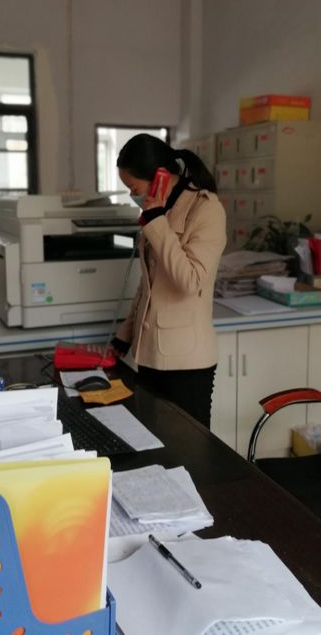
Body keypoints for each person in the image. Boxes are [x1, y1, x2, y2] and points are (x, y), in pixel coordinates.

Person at [110, 133, 227, 428]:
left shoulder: (205, 209)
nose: (133, 196)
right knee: (154, 443)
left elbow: (190, 282)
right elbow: (149, 285)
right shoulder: (161, 210)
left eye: (133, 188)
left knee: (190, 449)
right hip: (150, 355)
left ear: (160, 176)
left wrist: (156, 221)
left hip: (186, 363)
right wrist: (125, 334)